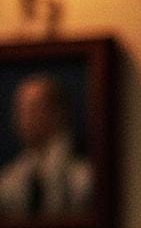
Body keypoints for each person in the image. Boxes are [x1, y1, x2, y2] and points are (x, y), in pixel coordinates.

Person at [0, 73, 94, 219]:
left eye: (32, 108)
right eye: (20, 109)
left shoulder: (84, 171)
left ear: (58, 112)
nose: (22, 118)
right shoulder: (12, 176)